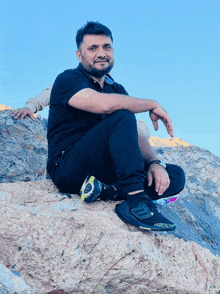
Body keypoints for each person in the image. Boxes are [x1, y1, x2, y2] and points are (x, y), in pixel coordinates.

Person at [13, 21, 185, 232]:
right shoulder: (68, 79)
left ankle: (108, 191)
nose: (101, 53)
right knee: (122, 114)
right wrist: (152, 104)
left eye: (106, 47)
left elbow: (133, 133)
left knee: (175, 176)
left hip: (102, 168)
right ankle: (135, 201)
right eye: (92, 48)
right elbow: (104, 105)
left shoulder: (116, 88)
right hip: (69, 167)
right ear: (79, 55)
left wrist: (154, 163)